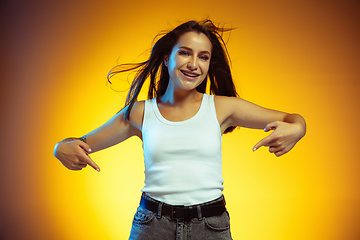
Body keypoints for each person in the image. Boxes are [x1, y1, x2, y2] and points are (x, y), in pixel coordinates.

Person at [53, 19, 306, 240]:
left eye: (203, 56)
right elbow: (79, 143)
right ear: (167, 58)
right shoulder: (140, 113)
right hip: (152, 226)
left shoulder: (223, 108)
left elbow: (293, 119)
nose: (193, 64)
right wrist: (60, 148)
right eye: (185, 53)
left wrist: (298, 129)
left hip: (210, 227)